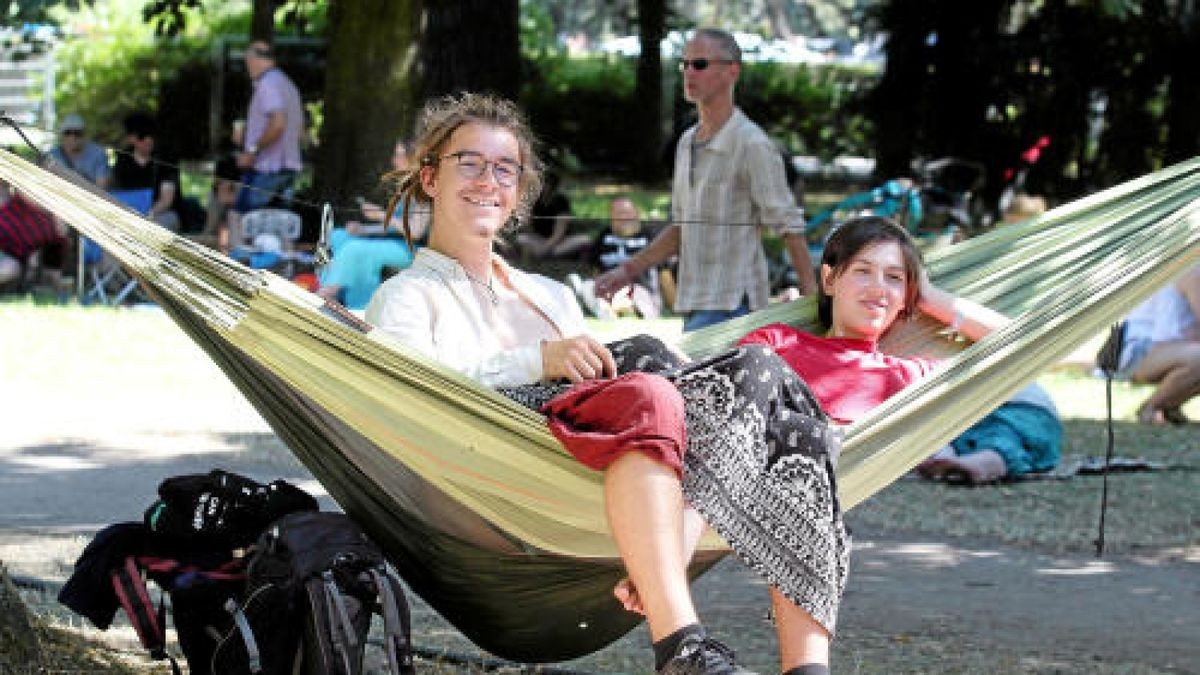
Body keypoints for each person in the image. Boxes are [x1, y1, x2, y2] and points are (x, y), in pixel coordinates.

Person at [365, 92, 1008, 675]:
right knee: (655, 386)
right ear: (430, 176)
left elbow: (601, 379)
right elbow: (410, 389)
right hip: (506, 442)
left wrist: (572, 354)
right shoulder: (408, 294)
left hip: (604, 445)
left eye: (503, 169)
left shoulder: (548, 293)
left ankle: (807, 665)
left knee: (777, 396)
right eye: (469, 163)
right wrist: (538, 358)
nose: (488, 181)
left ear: (518, 189)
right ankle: (680, 645)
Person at [594, 28, 817, 332]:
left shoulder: (752, 144)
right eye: (684, 64)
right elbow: (681, 227)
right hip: (693, 301)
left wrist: (812, 301)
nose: (689, 72)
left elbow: (789, 226)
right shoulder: (686, 143)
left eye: (699, 64)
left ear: (732, 72)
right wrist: (628, 270)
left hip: (734, 306)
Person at [317, 139, 426, 309]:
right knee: (339, 236)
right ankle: (336, 291)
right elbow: (395, 227)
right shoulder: (405, 187)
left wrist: (381, 215)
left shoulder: (424, 190)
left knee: (357, 250)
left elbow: (416, 232)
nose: (394, 160)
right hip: (398, 243)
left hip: (414, 250)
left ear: (412, 159)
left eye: (398, 155)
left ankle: (337, 297)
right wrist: (364, 230)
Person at [917, 383, 1062, 485]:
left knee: (1003, 437)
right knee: (940, 439)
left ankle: (986, 462)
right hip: (962, 414)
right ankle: (943, 460)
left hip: (1018, 405)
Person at [1117, 264, 1200, 424]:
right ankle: (1151, 408)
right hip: (1138, 351)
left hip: (1164, 349)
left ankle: (1170, 406)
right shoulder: (1193, 271)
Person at [233, 39, 304, 215]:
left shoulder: (267, 84)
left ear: (254, 59)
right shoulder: (288, 84)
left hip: (267, 169)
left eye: (247, 60)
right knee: (282, 226)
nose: (247, 65)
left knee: (245, 221)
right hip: (288, 167)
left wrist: (252, 150)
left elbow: (278, 124)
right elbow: (301, 131)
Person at [567, 196, 663, 319]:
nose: (622, 217)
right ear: (611, 217)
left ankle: (609, 308)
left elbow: (663, 272)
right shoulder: (603, 236)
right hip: (608, 288)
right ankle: (602, 305)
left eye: (626, 213)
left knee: (635, 295)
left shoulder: (650, 237)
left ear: (636, 213)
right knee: (589, 286)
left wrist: (673, 304)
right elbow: (595, 270)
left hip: (639, 288)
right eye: (617, 214)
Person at [112, 112, 184, 232]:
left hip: (161, 214)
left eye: (150, 137)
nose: (148, 141)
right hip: (130, 215)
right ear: (132, 138)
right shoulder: (123, 159)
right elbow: (119, 193)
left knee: (155, 229)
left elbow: (167, 200)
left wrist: (148, 214)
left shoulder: (166, 158)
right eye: (142, 137)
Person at [0, 180, 69, 291]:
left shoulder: (52, 217)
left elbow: (61, 233)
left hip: (15, 258)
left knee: (11, 268)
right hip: (9, 251)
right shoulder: (11, 204)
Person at [515, 169, 592, 261]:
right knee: (522, 239)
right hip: (540, 240)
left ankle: (548, 255)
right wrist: (525, 221)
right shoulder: (534, 201)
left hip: (559, 242)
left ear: (553, 186)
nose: (542, 187)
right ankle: (548, 255)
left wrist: (545, 248)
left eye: (546, 184)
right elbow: (529, 230)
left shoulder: (561, 202)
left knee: (584, 239)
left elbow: (559, 233)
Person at [47, 113, 112, 190]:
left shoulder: (98, 154)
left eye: (77, 133)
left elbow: (102, 188)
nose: (72, 137)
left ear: (84, 135)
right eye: (68, 133)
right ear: (62, 135)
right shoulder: (52, 156)